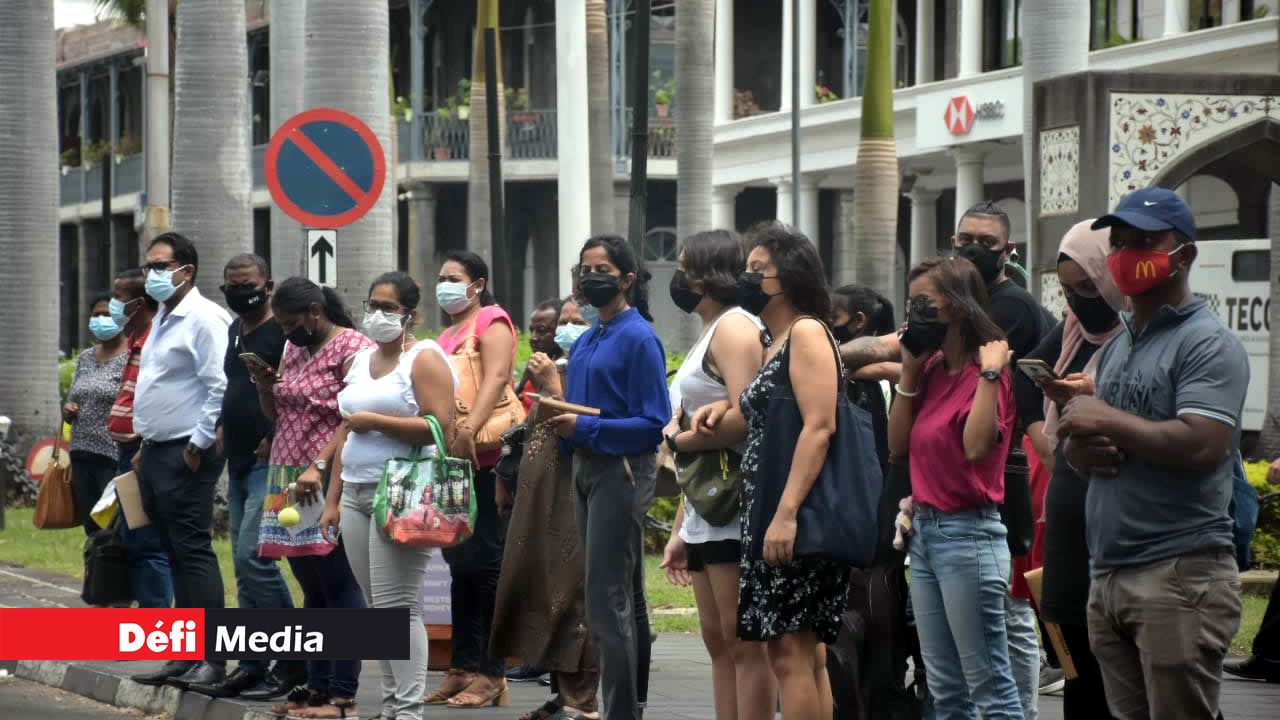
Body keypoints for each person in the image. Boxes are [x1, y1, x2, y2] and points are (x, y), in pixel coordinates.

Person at [1059, 188, 1248, 720]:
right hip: (1112, 574)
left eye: (1144, 242)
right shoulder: (1118, 348)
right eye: (1118, 242)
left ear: (1183, 255)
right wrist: (1080, 441)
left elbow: (1203, 444)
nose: (1124, 254)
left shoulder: (1207, 343)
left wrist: (1104, 418)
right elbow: (1093, 454)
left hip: (1177, 573)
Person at [693, 223, 844, 720]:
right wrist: (719, 413)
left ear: (791, 278)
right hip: (771, 514)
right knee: (797, 654)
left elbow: (819, 427)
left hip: (792, 515)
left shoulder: (805, 332)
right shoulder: (776, 339)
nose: (748, 279)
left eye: (760, 271)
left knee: (791, 655)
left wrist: (786, 513)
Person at [887, 256, 1022, 719]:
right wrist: (908, 371)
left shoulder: (990, 373)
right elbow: (898, 447)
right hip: (926, 536)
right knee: (943, 690)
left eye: (925, 302)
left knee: (990, 687)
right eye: (912, 303)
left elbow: (974, 448)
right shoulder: (930, 369)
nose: (916, 312)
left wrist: (988, 374)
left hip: (969, 539)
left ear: (959, 306)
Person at [323, 272, 458, 720]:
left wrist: (377, 422)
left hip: (404, 492)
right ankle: (391, 705)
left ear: (410, 314)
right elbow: (346, 432)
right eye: (373, 305)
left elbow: (441, 427)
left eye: (389, 308)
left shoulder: (424, 358)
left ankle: (407, 711)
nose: (378, 315)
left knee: (398, 607)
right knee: (376, 611)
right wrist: (333, 498)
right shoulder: (360, 361)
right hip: (357, 491)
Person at [547, 234, 668, 720]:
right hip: (584, 467)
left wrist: (587, 427)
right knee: (612, 596)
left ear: (629, 279)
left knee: (606, 598)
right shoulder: (591, 336)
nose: (591, 276)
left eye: (603, 269)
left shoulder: (639, 337)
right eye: (584, 268)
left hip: (619, 470)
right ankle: (622, 706)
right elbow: (582, 411)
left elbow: (652, 423)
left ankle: (620, 711)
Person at [659, 229, 774, 720]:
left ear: (706, 276)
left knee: (744, 643)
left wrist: (679, 438)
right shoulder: (713, 330)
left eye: (684, 268)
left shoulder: (734, 328)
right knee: (718, 641)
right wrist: (682, 526)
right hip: (709, 504)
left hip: (736, 506)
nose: (677, 278)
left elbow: (749, 412)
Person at [1013, 220, 1126, 720]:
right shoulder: (1071, 332)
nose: (1082, 301)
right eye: (1067, 290)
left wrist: (1090, 395)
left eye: (1088, 286)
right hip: (1067, 518)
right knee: (1076, 659)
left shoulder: (1140, 335)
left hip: (1117, 521)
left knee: (1123, 672)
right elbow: (1024, 382)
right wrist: (1047, 444)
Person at [950, 201, 1054, 720]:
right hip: (994, 461)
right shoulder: (972, 302)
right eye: (964, 238)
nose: (972, 249)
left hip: (1017, 463)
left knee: (1012, 603)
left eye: (986, 243)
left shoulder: (1007, 307)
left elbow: (967, 373)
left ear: (1007, 251)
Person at [249, 277, 371, 715]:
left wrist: (320, 465)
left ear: (315, 313)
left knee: (338, 581)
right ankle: (317, 688)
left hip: (326, 476)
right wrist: (265, 385)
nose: (285, 331)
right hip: (287, 476)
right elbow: (277, 412)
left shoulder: (352, 346)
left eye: (289, 322)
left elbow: (353, 415)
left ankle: (343, 693)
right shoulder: (292, 348)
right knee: (312, 587)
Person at [189, 255, 300, 699]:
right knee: (242, 561)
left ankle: (295, 659)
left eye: (248, 284)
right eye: (231, 285)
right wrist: (218, 430)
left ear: (268, 285)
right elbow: (232, 386)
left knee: (258, 559)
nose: (239, 292)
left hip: (270, 464)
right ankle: (253, 662)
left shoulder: (283, 334)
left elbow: (292, 393)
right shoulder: (236, 330)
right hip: (236, 460)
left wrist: (273, 434)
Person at [128, 232, 231, 689]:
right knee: (172, 552)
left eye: (159, 266)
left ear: (186, 270)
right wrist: (143, 446)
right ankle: (183, 654)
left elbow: (219, 386)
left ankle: (212, 658)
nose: (151, 274)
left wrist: (198, 443)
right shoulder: (165, 317)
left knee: (192, 551)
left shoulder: (205, 318)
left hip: (186, 453)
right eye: (148, 266)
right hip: (155, 450)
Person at [492, 293, 601, 720]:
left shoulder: (590, 370)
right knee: (542, 589)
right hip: (541, 493)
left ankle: (582, 703)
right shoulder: (555, 365)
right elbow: (530, 427)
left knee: (573, 598)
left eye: (577, 320)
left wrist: (553, 389)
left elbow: (591, 425)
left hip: (575, 491)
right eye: (564, 321)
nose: (566, 329)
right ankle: (561, 693)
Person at [426, 251, 518, 708]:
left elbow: (498, 376)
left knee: (486, 566)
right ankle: (460, 668)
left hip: (485, 458)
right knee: (459, 566)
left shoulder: (492, 320)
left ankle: (491, 671)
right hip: (454, 462)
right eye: (441, 278)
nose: (444, 285)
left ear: (477, 284)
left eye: (454, 278)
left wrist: (468, 429)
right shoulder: (446, 335)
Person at [106, 269, 173, 610]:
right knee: (133, 538)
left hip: (141, 451)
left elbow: (159, 401)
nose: (113, 305)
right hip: (126, 452)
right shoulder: (136, 339)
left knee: (147, 542)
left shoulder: (153, 341)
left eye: (119, 297)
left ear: (139, 302)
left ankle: (156, 622)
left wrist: (144, 447)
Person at [64, 294, 130, 536]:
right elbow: (74, 398)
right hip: (82, 452)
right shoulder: (86, 358)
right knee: (91, 526)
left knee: (114, 526)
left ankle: (114, 573)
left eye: (108, 315)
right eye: (96, 315)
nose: (101, 320)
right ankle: (94, 572)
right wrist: (69, 410)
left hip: (113, 454)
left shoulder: (131, 357)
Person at [516, 298, 565, 415]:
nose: (533, 338)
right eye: (532, 330)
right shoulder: (535, 362)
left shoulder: (566, 367)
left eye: (541, 330)